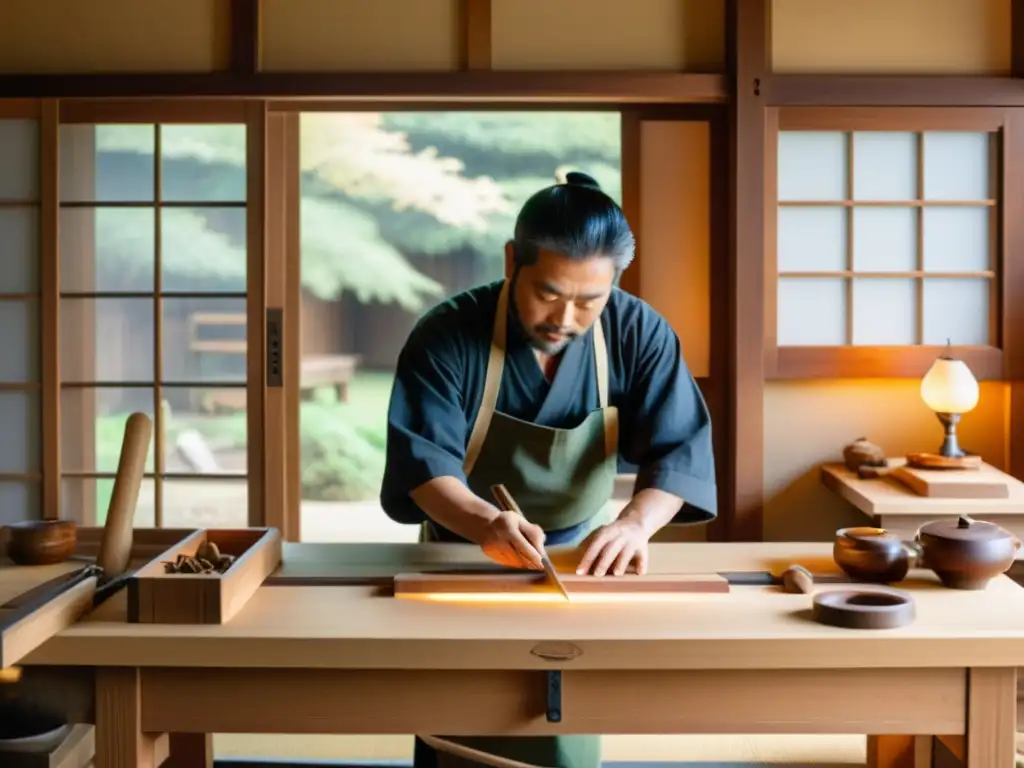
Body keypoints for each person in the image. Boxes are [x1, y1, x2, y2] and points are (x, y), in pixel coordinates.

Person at [381, 171, 717, 768]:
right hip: (463, 554)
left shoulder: (639, 332)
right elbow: (423, 462)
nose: (567, 316)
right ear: (513, 261)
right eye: (548, 293)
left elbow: (679, 450)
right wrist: (486, 524)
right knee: (456, 724)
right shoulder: (448, 333)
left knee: (563, 719)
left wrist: (635, 526)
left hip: (584, 563)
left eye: (590, 300)